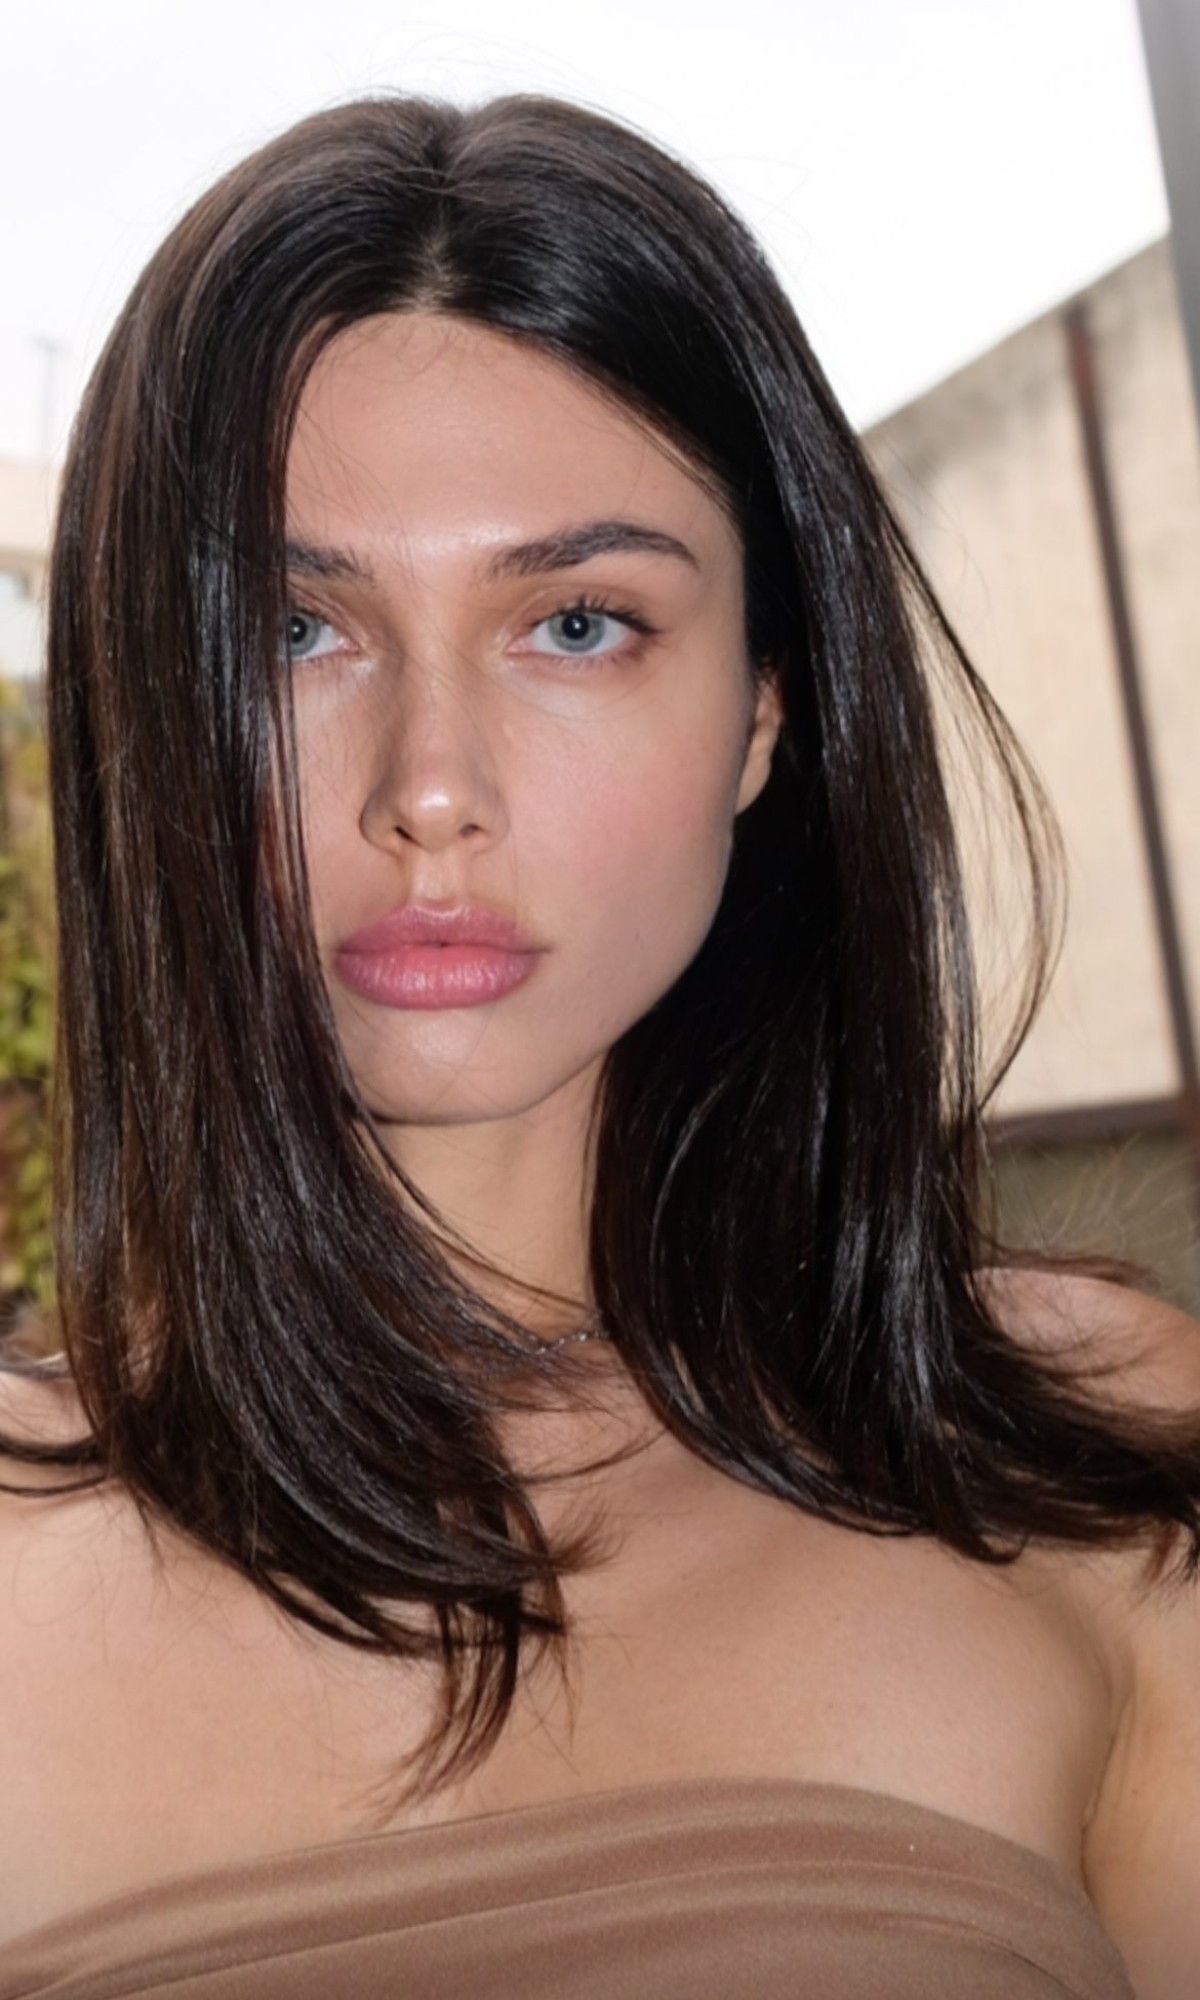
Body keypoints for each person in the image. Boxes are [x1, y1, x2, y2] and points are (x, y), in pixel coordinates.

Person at [0, 86, 1197, 2000]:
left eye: (576, 624)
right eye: (292, 634)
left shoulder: (1104, 1466)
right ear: (138, 715)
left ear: (764, 715)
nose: (432, 789)